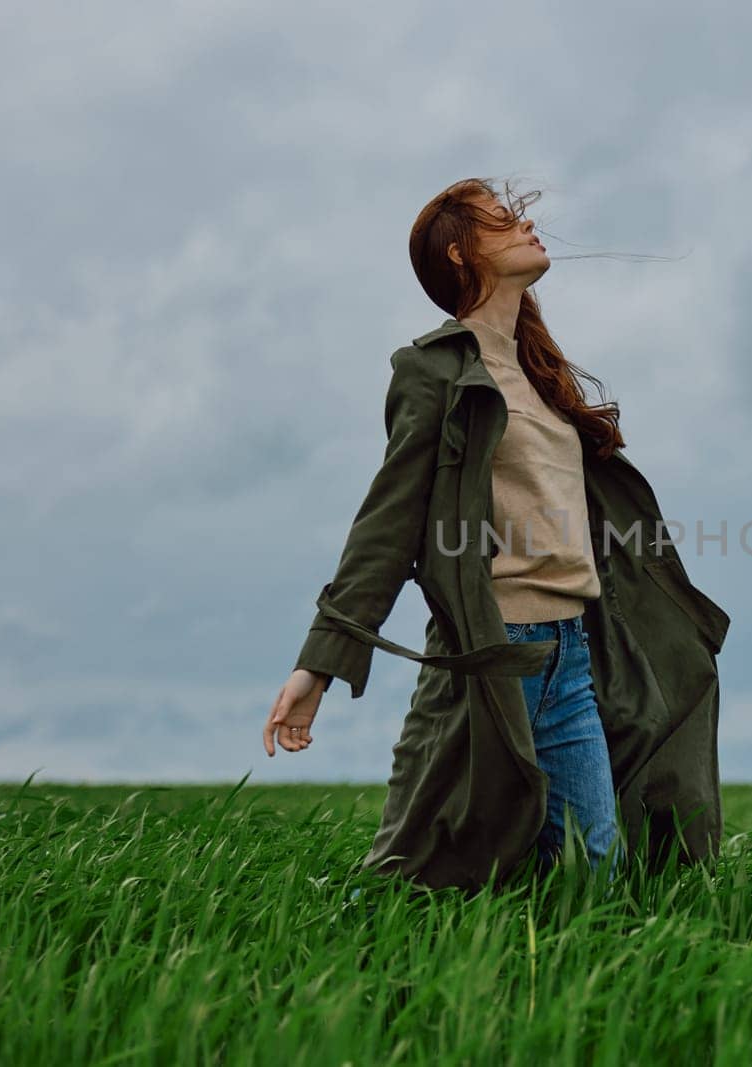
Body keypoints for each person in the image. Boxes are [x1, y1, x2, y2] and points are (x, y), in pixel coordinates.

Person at [263, 177, 635, 883]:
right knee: (437, 867)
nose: (529, 226)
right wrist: (320, 661)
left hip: (571, 655)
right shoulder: (433, 370)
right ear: (463, 255)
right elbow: (390, 517)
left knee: (594, 871)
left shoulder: (538, 372)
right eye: (504, 220)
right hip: (496, 653)